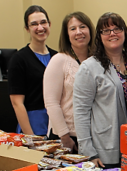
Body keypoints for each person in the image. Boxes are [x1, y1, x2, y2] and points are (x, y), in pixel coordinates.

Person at [73, 12, 127, 168]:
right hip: (104, 151)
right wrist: (89, 153)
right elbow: (81, 112)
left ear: (125, 32)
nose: (112, 34)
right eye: (106, 30)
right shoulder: (89, 68)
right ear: (99, 36)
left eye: (117, 29)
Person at [43, 12, 95, 152]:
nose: (79, 32)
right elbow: (51, 103)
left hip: (92, 136)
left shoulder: (97, 61)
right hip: (65, 137)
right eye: (73, 29)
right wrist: (64, 137)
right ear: (67, 35)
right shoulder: (59, 60)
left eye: (82, 27)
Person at [8, 5, 57, 136]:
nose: (40, 28)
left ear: (49, 24)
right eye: (34, 24)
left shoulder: (57, 57)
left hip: (57, 124)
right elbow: (17, 103)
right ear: (27, 29)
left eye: (43, 22)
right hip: (34, 125)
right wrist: (31, 137)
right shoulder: (19, 59)